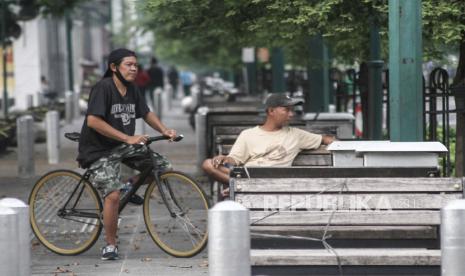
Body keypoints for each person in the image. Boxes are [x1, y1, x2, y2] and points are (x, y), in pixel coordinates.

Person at [76, 48, 177, 260]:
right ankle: (110, 245)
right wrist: (127, 137)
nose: (133, 68)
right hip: (97, 150)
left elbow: (146, 112)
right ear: (114, 67)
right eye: (128, 64)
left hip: (122, 147)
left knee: (162, 167)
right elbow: (93, 121)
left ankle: (129, 186)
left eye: (135, 65)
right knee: (112, 195)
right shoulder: (103, 88)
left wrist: (164, 130)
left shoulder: (133, 89)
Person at [202, 94, 335, 194]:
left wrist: (346, 146)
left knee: (238, 181)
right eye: (287, 110)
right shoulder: (248, 134)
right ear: (271, 111)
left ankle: (236, 187)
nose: (291, 114)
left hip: (275, 183)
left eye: (292, 110)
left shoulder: (296, 135)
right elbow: (235, 159)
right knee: (208, 164)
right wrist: (224, 158)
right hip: (248, 176)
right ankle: (238, 186)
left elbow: (325, 139)